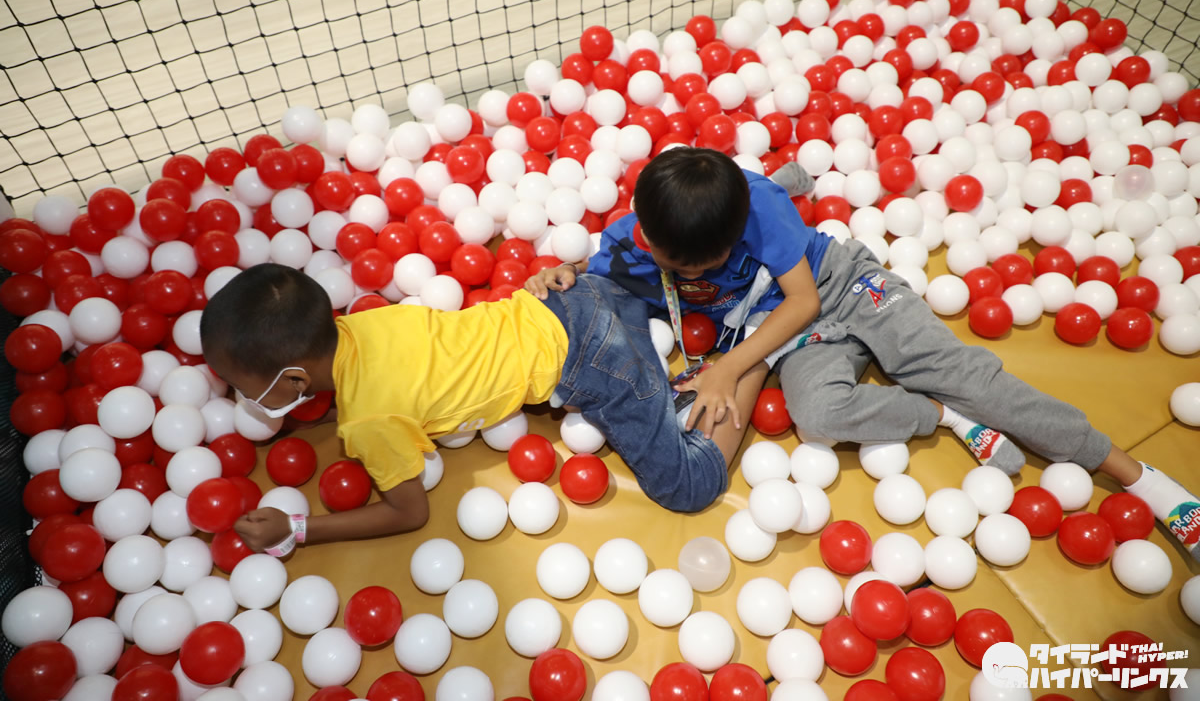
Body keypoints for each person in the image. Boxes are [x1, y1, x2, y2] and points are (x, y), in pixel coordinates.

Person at [526, 146, 1199, 561]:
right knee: (818, 418)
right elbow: (600, 272)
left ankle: (1137, 475)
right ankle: (941, 415)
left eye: (689, 265)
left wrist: (729, 366)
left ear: (728, 243)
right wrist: (560, 272)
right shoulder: (640, 235)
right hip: (790, 336)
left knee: (961, 373)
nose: (673, 268)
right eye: (667, 259)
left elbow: (802, 302)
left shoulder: (762, 209)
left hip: (841, 288)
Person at [200, 262, 728, 554]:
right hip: (576, 295)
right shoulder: (361, 323)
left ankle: (741, 370)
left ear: (295, 379)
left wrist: (297, 529)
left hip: (590, 357)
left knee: (687, 487)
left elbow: (410, 512)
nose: (241, 397)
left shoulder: (367, 423)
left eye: (243, 386)